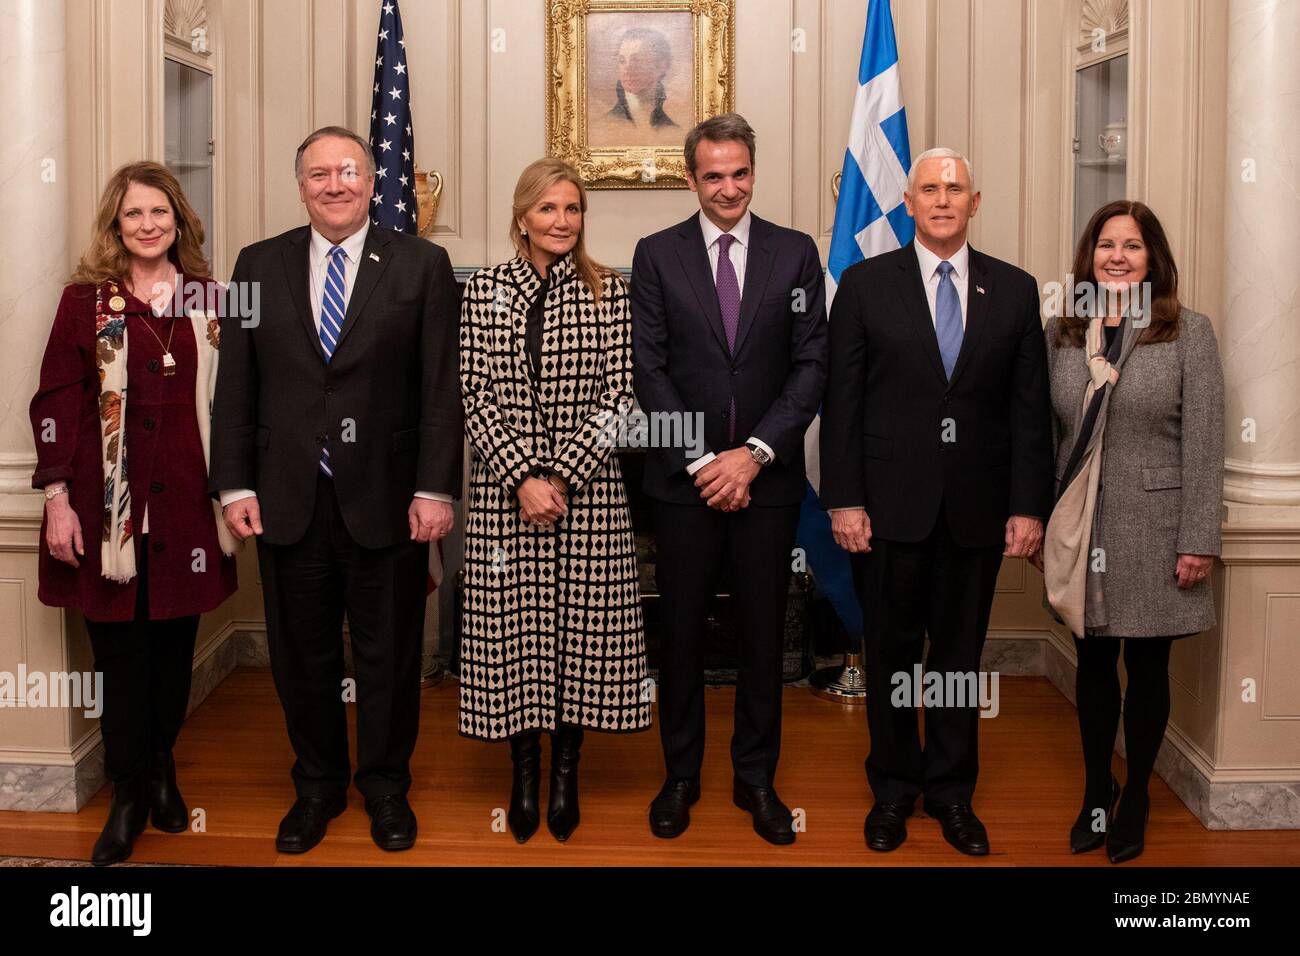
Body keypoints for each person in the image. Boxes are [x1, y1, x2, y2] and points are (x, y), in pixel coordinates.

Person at [209, 126, 463, 854]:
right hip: (288, 498)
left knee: (389, 657)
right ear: (301, 186)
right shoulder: (258, 266)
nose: (335, 183)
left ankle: (385, 789)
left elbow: (440, 390)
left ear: (371, 179)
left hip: (389, 499)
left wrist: (435, 489)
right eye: (319, 173)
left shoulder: (421, 264)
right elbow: (236, 390)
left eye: (349, 170)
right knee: (302, 657)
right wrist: (233, 485)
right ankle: (316, 787)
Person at [820, 147, 1054, 856]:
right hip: (887, 510)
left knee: (956, 659)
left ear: (974, 203)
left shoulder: (1014, 291)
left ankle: (952, 793)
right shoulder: (863, 285)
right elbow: (843, 404)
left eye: (955, 188)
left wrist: (1028, 506)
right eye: (930, 188)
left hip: (979, 513)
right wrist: (844, 501)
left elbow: (1028, 410)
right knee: (890, 655)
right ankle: (893, 790)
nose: (944, 199)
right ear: (910, 203)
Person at [30, 161, 238, 865]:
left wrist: (239, 491)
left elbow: (237, 403)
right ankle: (127, 792)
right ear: (115, 227)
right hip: (104, 510)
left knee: (173, 653)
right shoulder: (83, 301)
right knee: (120, 657)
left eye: (160, 213)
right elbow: (55, 400)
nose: (148, 226)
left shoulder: (214, 297)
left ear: (179, 219)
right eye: (133, 215)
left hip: (186, 508)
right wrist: (57, 498)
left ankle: (162, 767)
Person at [631, 113, 828, 845]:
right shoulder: (656, 255)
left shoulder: (795, 254)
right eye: (712, 175)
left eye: (739, 173)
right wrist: (703, 461)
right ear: (690, 177)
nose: (727, 187)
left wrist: (754, 454)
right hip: (682, 487)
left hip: (767, 484)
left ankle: (755, 778)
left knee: (759, 635)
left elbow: (813, 365)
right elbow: (647, 367)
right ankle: (680, 776)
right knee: (679, 634)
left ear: (753, 171)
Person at [458, 157, 650, 844]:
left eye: (572, 209)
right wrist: (521, 477)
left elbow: (620, 398)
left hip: (588, 498)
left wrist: (561, 477)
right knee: (512, 637)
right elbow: (474, 394)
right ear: (523, 216)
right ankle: (524, 770)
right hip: (506, 499)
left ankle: (566, 768)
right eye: (548, 209)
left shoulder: (610, 293)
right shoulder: (484, 291)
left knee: (580, 640)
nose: (561, 221)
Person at [1034, 200, 1223, 863]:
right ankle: (1095, 788)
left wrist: (1198, 537)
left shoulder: (1187, 333)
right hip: (1081, 530)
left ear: (1154, 259)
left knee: (1147, 667)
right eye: (1106, 244)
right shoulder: (1061, 333)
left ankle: (1136, 792)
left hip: (1157, 529)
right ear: (1089, 257)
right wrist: (1041, 519)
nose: (1117, 255)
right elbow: (1043, 437)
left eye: (1133, 245)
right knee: (1092, 665)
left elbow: (1205, 443)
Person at [606, 28, 676, 129]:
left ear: (661, 66)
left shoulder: (671, 128)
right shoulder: (606, 124)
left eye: (636, 60)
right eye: (622, 61)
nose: (627, 69)